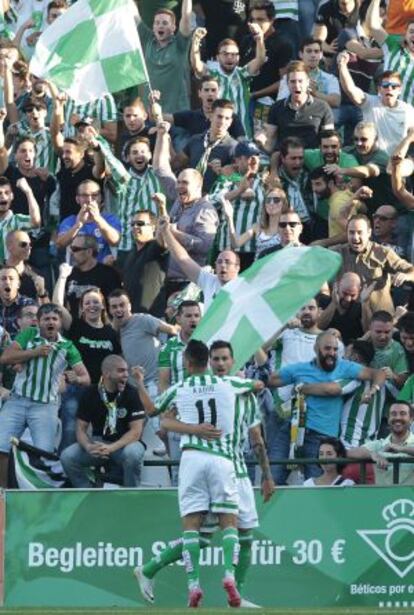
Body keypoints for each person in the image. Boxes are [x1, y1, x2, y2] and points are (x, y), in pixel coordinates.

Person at [135, 339, 274, 608]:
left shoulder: (237, 393)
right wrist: (194, 428)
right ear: (209, 361)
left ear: (232, 362)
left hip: (237, 471)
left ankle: (235, 594)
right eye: (217, 359)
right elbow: (260, 382)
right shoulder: (230, 386)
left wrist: (267, 475)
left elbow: (256, 438)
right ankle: (161, 572)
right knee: (205, 535)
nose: (221, 363)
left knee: (244, 536)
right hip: (219, 463)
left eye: (225, 359)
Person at [268, 330, 387, 478]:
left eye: (335, 349)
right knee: (272, 478)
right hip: (293, 431)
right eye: (327, 348)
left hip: (322, 439)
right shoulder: (301, 368)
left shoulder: (345, 367)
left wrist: (372, 390)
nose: (332, 353)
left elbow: (378, 374)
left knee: (317, 488)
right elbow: (272, 380)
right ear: (316, 349)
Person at [0, 303, 90, 486]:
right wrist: (34, 352)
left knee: (44, 455)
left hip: (45, 406)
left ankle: (39, 494)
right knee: (1, 448)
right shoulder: (28, 335)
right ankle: (3, 492)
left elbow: (86, 377)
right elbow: (5, 358)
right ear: (38, 322)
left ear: (60, 323)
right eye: (46, 319)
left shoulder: (67, 346)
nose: (50, 322)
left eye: (54, 319)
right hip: (17, 400)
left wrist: (76, 378)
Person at [259, 298, 321, 485]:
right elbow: (259, 349)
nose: (306, 311)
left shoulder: (329, 340)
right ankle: (270, 513)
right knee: (274, 475)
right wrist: (283, 327)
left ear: (320, 311)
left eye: (311, 308)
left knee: (314, 477)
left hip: (314, 417)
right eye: (302, 308)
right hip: (281, 412)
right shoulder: (286, 334)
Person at [60, 355, 146, 488]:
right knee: (67, 457)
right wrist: (88, 446)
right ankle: (88, 491)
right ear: (107, 373)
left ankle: (131, 494)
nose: (126, 375)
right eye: (121, 371)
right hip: (99, 443)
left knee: (133, 454)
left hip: (126, 444)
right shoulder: (90, 393)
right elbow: (80, 429)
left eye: (126, 370)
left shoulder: (131, 393)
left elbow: (136, 432)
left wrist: (111, 447)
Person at [57, 286, 122, 451]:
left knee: (105, 434)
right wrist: (63, 276)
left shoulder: (112, 333)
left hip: (104, 392)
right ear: (82, 307)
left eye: (96, 302)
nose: (91, 305)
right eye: (87, 302)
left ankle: (102, 472)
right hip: (77, 388)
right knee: (71, 430)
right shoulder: (76, 326)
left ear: (102, 306)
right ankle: (66, 469)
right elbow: (57, 305)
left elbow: (117, 362)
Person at [191, 23, 266, 137]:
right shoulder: (212, 75)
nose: (230, 57)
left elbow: (260, 59)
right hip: (218, 136)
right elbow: (196, 65)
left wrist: (259, 37)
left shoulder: (243, 74)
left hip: (243, 135)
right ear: (217, 57)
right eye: (225, 54)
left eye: (233, 54)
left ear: (238, 58)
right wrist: (195, 42)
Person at [330, 214, 414, 314]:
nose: (355, 237)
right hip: (347, 314)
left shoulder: (382, 252)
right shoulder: (336, 253)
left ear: (369, 233)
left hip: (378, 318)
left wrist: (406, 276)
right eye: (351, 233)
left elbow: (411, 271)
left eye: (360, 233)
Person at [337, 54, 414, 156]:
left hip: (395, 161)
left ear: (400, 90)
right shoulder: (370, 102)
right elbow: (350, 89)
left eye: (394, 86)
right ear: (378, 89)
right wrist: (342, 65)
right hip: (371, 158)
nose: (389, 88)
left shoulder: (408, 110)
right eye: (385, 85)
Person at [107, 289, 177, 398]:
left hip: (154, 384)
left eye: (122, 305)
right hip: (134, 388)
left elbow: (172, 330)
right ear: (110, 310)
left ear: (129, 306)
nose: (118, 309)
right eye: (114, 306)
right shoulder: (113, 330)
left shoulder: (142, 320)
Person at [158, 216, 240, 309]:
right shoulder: (209, 281)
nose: (223, 265)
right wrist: (166, 232)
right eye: (219, 262)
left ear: (237, 267)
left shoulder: (244, 287)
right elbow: (183, 259)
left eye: (228, 262)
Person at [210, 140, 268, 267]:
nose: (254, 160)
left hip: (254, 249)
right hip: (227, 249)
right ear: (236, 160)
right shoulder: (226, 180)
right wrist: (239, 191)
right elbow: (212, 202)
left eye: (256, 156)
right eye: (248, 157)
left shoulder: (264, 183)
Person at [264, 60, 334, 152]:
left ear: (307, 82)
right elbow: (270, 140)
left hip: (312, 157)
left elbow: (329, 139)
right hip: (286, 158)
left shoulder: (323, 107)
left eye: (300, 81)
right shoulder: (277, 107)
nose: (297, 85)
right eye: (293, 82)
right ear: (287, 84)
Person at [136, 1, 193, 113]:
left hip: (177, 113)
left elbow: (186, 17)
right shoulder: (148, 40)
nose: (160, 25)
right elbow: (133, 16)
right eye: (157, 23)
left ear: (173, 27)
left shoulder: (180, 44)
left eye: (165, 23)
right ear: (153, 27)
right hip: (150, 112)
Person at [175, 99, 238, 193]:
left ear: (230, 122)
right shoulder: (195, 140)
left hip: (214, 202)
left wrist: (222, 172)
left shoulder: (234, 147)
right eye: (219, 117)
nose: (222, 121)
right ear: (211, 116)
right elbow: (175, 164)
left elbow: (240, 179)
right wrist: (165, 138)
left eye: (227, 118)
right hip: (189, 198)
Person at [347, 401, 414, 485]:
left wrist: (402, 449)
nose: (397, 417)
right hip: (383, 496)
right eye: (393, 414)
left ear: (411, 419)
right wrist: (372, 454)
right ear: (388, 419)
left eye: (403, 413)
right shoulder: (379, 444)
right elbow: (349, 452)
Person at [53, 235, 122, 317]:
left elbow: (116, 305)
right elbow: (58, 305)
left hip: (100, 326)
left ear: (89, 252)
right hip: (74, 326)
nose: (71, 253)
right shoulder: (68, 273)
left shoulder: (108, 274)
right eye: (71, 249)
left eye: (75, 249)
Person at [56, 179, 121, 263]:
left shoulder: (110, 219)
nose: (89, 199)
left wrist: (98, 219)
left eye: (94, 195)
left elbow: (115, 241)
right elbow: (60, 244)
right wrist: (78, 225)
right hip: (77, 270)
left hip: (103, 268)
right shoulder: (70, 221)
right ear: (77, 199)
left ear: (101, 197)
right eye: (84, 195)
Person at [122, 209, 169, 318]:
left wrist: (161, 206)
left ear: (153, 227)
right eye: (132, 224)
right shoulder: (131, 253)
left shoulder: (155, 247)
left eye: (140, 224)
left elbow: (164, 234)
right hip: (132, 319)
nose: (135, 227)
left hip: (153, 319)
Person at [221, 183, 285, 260]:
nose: (271, 203)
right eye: (268, 200)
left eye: (276, 200)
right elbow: (236, 244)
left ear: (283, 203)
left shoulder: (287, 227)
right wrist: (230, 219)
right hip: (259, 269)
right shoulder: (257, 227)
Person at [277, 37, 340, 109]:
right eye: (309, 51)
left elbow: (336, 102)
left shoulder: (330, 78)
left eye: (316, 51)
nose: (313, 55)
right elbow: (280, 103)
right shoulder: (289, 77)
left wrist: (315, 93)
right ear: (301, 54)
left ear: (321, 55)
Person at [318, 272, 373, 344]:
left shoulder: (361, 308)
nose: (348, 299)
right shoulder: (324, 301)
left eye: (353, 295)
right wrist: (334, 304)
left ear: (359, 290)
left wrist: (365, 303)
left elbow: (369, 332)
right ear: (337, 285)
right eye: (345, 293)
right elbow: (318, 326)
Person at [0, 174, 41, 261]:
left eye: (7, 193)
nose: (3, 196)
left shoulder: (17, 220)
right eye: (0, 193)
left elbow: (36, 222)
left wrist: (28, 192)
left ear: (12, 196)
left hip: (11, 271)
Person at [4, 230, 48, 302]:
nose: (28, 248)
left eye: (30, 245)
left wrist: (42, 293)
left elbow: (46, 310)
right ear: (10, 247)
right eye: (23, 244)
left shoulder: (36, 274)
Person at [0, 264, 35, 337]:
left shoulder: (28, 304)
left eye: (11, 278)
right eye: (3, 279)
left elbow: (34, 331)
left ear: (18, 284)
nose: (7, 282)